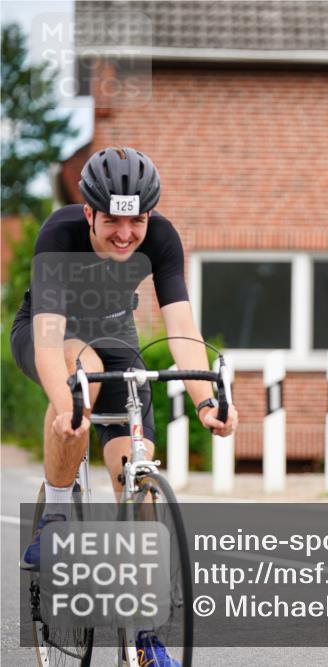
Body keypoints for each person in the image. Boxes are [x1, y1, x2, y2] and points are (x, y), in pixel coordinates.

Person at [12, 146, 237, 665]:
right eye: (111, 219)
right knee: (80, 379)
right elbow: (49, 341)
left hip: (116, 334)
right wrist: (65, 404)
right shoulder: (58, 236)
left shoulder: (161, 239)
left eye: (136, 220)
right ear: (88, 211)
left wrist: (207, 401)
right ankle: (58, 511)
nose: (124, 233)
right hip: (51, 332)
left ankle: (144, 639)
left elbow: (181, 327)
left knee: (136, 476)